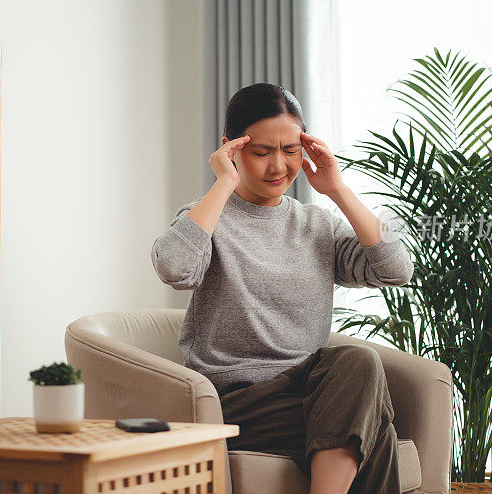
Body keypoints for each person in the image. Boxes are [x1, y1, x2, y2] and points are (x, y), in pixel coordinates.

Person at [151, 83, 413, 494]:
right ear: (232, 149)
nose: (279, 167)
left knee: (358, 369)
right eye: (261, 153)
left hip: (311, 397)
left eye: (291, 151)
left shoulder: (318, 225)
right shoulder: (208, 217)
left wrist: (338, 191)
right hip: (234, 402)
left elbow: (396, 268)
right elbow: (174, 268)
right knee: (374, 418)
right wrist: (222, 184)